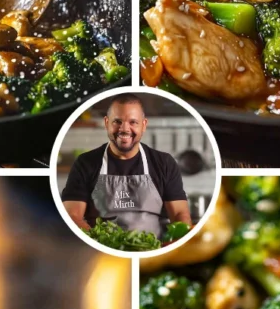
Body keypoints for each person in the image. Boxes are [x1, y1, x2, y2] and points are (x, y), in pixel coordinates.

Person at [61, 94, 191, 238]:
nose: (124, 129)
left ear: (144, 125)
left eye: (133, 122)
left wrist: (179, 239)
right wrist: (98, 242)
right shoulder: (85, 163)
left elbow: (180, 213)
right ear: (106, 123)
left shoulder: (164, 162)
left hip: (152, 249)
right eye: (117, 121)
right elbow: (72, 215)